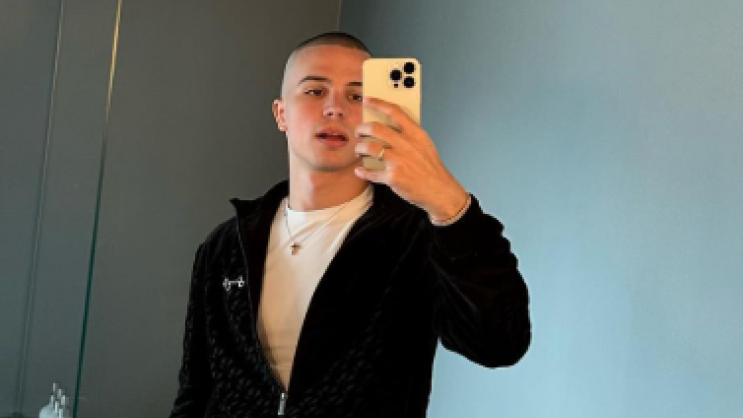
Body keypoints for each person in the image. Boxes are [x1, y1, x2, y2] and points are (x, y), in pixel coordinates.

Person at [168, 31, 531, 418]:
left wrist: (446, 201)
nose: (335, 108)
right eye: (315, 91)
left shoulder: (416, 237)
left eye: (357, 96)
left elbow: (499, 343)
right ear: (281, 114)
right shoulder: (226, 246)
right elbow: (195, 390)